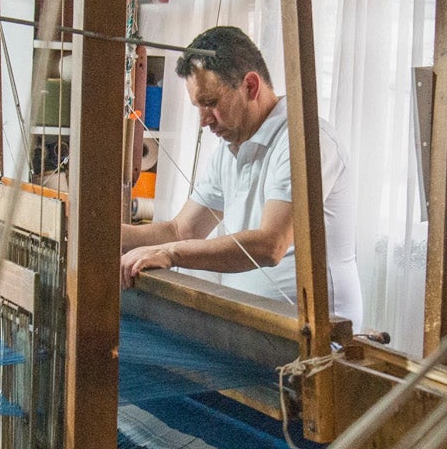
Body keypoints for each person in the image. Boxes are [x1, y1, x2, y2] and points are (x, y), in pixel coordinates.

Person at [120, 25, 363, 328]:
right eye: (198, 106)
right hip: (256, 323)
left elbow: (270, 244)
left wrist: (170, 254)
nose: (204, 121)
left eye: (210, 103)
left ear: (250, 86)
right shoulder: (230, 148)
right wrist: (102, 236)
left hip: (316, 332)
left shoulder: (304, 140)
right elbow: (182, 229)